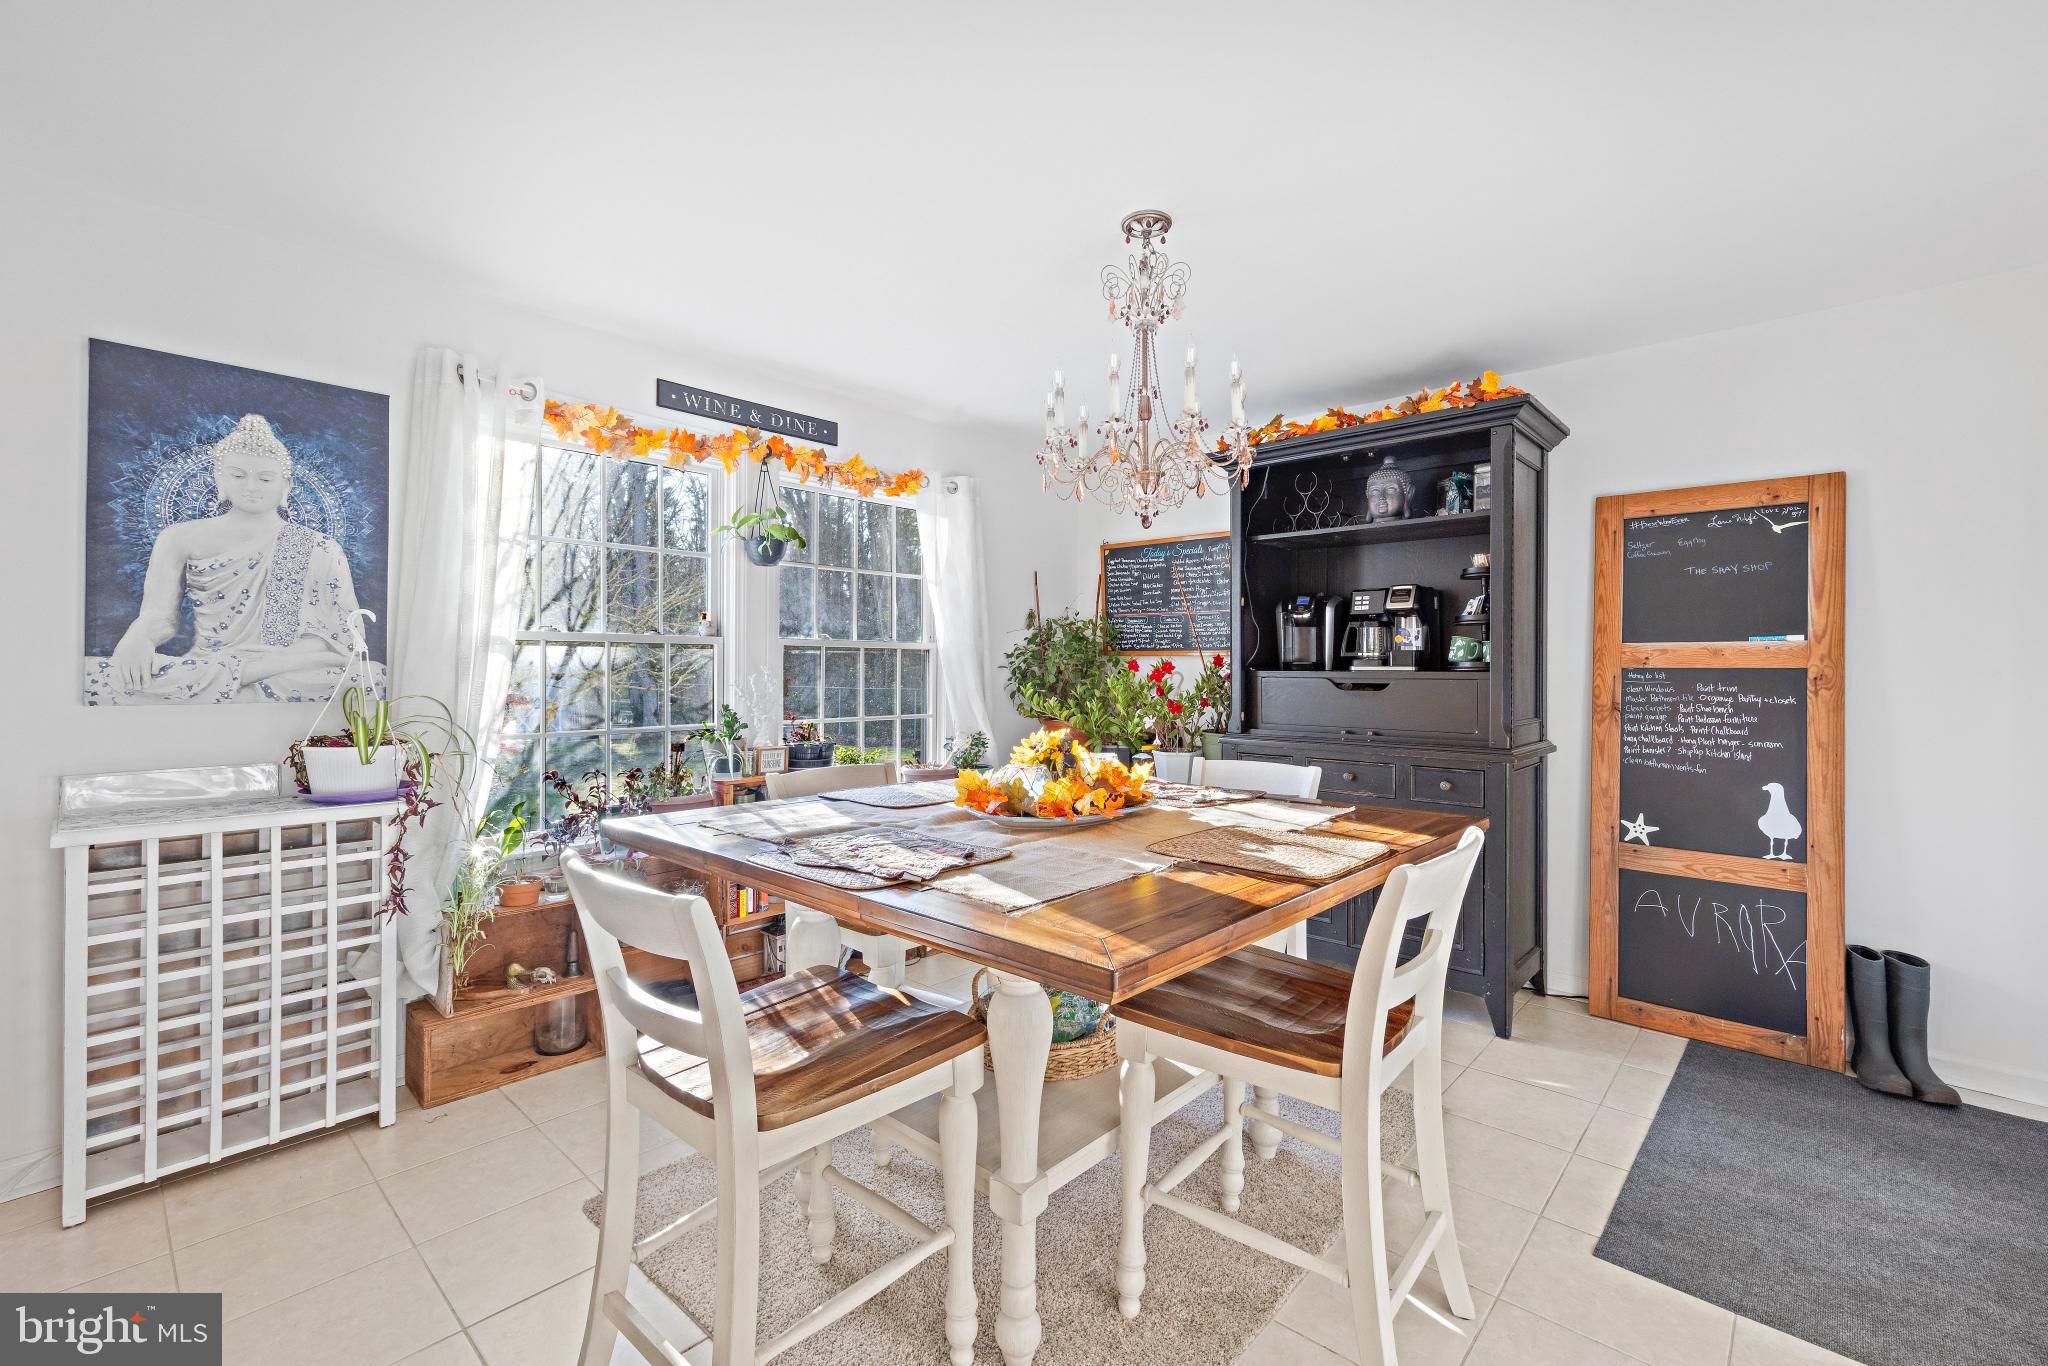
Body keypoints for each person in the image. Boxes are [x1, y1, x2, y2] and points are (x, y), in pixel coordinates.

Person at [84, 414, 379, 704]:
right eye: (238, 475)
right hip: (207, 664)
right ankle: (240, 684)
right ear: (219, 478)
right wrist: (137, 639)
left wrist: (253, 667)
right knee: (93, 675)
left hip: (284, 668)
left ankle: (238, 681)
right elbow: (159, 617)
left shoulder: (320, 546)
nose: (251, 486)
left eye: (265, 478)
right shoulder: (179, 538)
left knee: (370, 679)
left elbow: (347, 640)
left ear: (285, 487)